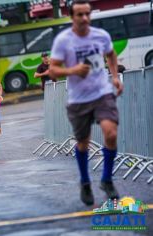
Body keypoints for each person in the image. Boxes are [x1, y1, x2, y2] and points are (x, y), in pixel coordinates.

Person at [49, 0, 124, 206]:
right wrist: (72, 70)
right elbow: (53, 70)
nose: (84, 18)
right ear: (71, 16)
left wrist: (115, 77)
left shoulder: (101, 36)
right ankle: (85, 182)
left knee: (111, 133)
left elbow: (110, 54)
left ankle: (107, 180)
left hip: (102, 93)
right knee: (83, 143)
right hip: (78, 99)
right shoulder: (64, 40)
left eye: (87, 14)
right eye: (79, 15)